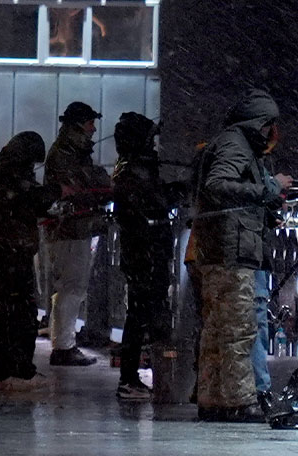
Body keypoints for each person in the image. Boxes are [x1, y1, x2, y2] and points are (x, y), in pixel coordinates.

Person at [191, 89, 291, 423]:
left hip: (220, 249)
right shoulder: (236, 145)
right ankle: (239, 401)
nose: (273, 134)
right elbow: (218, 185)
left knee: (216, 330)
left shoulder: (230, 142)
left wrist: (265, 204)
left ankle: (212, 399)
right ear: (261, 122)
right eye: (270, 125)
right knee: (238, 330)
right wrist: (268, 189)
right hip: (233, 252)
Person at [111, 113, 178, 401]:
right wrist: (175, 194)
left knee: (142, 315)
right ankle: (129, 379)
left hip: (145, 253)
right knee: (139, 316)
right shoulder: (134, 173)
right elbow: (151, 204)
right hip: (144, 254)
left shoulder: (133, 169)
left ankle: (139, 376)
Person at [0, 131, 52, 391]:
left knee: (4, 313)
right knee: (21, 313)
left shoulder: (2, 168)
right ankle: (20, 371)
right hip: (12, 252)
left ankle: (0, 370)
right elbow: (29, 200)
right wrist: (56, 191)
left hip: (2, 252)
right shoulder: (12, 173)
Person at [44, 101, 111, 367]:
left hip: (70, 227)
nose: (94, 129)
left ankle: (63, 342)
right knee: (72, 286)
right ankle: (63, 347)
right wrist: (104, 183)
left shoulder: (69, 150)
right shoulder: (68, 153)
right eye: (90, 123)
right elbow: (84, 183)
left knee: (69, 287)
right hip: (71, 228)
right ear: (79, 125)